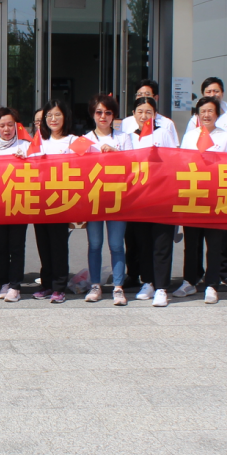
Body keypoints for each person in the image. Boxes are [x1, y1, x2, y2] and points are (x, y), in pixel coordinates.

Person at [176, 96, 227, 304]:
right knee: (191, 243)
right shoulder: (190, 136)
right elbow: (181, 163)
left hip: (216, 197)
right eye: (202, 111)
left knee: (214, 244)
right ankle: (189, 281)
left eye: (210, 111)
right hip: (194, 196)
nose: (206, 115)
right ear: (197, 114)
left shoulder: (226, 137)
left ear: (217, 114)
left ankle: (212, 284)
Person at [125, 98, 180, 307]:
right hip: (139, 198)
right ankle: (147, 282)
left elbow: (174, 160)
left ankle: (162, 287)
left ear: (155, 115)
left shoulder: (163, 133)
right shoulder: (129, 136)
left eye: (148, 112)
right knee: (144, 243)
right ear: (133, 113)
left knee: (162, 243)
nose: (144, 116)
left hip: (162, 195)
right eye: (140, 111)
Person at [82, 94, 132, 305]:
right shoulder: (84, 139)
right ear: (92, 114)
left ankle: (118, 287)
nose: (103, 116)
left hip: (117, 197)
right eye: (99, 112)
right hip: (94, 198)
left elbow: (133, 164)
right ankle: (95, 285)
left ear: (114, 115)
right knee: (95, 244)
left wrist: (115, 153)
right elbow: (73, 165)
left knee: (116, 244)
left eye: (108, 112)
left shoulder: (124, 137)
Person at [31, 99, 76, 304]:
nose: (53, 119)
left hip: (61, 201)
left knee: (58, 245)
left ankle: (59, 287)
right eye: (49, 115)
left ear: (65, 117)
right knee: (43, 244)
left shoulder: (73, 140)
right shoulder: (39, 141)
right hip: (40, 201)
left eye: (57, 114)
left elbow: (93, 157)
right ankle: (47, 284)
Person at [0, 108, 30, 302]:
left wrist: (27, 161)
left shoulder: (25, 145)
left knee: (17, 245)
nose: (6, 129)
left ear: (17, 125)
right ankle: (3, 281)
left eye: (10, 125)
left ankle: (15, 285)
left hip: (19, 202)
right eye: (2, 125)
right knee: (0, 245)